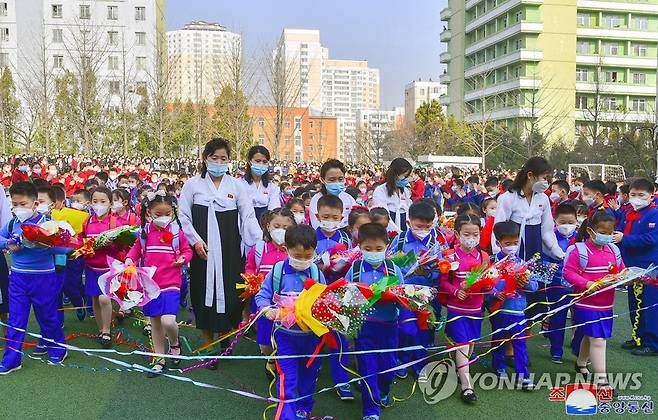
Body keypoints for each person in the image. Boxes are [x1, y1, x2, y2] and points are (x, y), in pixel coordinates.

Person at [178, 139, 262, 351]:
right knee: (201, 290)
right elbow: (184, 216)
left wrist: (260, 240)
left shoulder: (236, 186)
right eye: (214, 158)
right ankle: (208, 341)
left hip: (230, 249)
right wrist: (195, 240)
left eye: (223, 158)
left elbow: (248, 215)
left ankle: (226, 335)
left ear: (229, 161)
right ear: (205, 159)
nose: (218, 162)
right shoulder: (192, 185)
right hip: (203, 249)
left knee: (232, 292)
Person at [254, 224, 325, 420]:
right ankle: (286, 414)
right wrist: (268, 310)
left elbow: (326, 300)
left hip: (311, 338)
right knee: (287, 377)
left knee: (309, 377)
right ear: (286, 249)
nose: (303, 261)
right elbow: (262, 296)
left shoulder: (317, 274)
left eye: (308, 256)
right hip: (285, 337)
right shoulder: (278, 272)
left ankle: (304, 407)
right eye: (297, 255)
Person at [0, 182, 68, 374]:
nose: (18, 208)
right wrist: (10, 242)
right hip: (18, 279)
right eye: (14, 204)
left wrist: (46, 244)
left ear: (35, 204)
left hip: (44, 279)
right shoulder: (13, 223)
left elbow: (63, 248)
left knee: (47, 316)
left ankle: (57, 348)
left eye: (23, 204)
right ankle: (12, 359)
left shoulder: (48, 225)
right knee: (16, 320)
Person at [125, 193, 192, 376]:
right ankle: (159, 358)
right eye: (158, 214)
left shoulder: (177, 232)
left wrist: (183, 257)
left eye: (167, 213)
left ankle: (175, 343)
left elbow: (187, 250)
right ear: (149, 213)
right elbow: (136, 249)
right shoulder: (144, 232)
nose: (163, 218)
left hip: (171, 282)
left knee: (168, 320)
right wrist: (130, 259)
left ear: (173, 212)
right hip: (150, 284)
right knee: (155, 322)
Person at [345, 223, 405, 420]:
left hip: (389, 327)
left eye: (379, 249)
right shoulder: (354, 269)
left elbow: (404, 295)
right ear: (359, 246)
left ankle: (385, 389)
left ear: (387, 246)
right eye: (368, 249)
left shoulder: (393, 268)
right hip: (364, 327)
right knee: (367, 368)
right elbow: (346, 297)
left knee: (387, 368)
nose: (373, 253)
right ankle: (370, 410)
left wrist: (393, 296)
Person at [563, 210, 624, 388]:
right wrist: (587, 283)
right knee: (598, 339)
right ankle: (602, 381)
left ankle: (581, 363)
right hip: (586, 304)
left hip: (606, 304)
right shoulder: (579, 250)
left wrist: (627, 278)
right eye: (603, 233)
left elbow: (621, 270)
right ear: (590, 231)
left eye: (611, 233)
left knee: (591, 336)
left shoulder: (614, 250)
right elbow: (568, 272)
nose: (607, 237)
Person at [389, 201, 440, 378]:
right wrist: (406, 272)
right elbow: (390, 263)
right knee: (406, 329)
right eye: (419, 226)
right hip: (404, 293)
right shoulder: (400, 239)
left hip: (425, 294)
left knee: (423, 330)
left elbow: (440, 268)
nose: (424, 229)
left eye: (428, 226)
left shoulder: (435, 242)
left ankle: (420, 364)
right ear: (409, 222)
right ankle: (402, 359)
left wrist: (430, 272)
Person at [440, 214, 488, 403]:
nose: (471, 238)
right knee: (462, 342)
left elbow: (488, 282)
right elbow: (443, 283)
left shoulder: (483, 256)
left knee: (471, 341)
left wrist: (489, 285)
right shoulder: (449, 256)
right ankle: (467, 386)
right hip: (456, 307)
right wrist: (455, 291)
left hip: (476, 308)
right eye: (467, 234)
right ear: (457, 234)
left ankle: (460, 368)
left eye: (475, 234)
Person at [244, 208, 295, 375]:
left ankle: (283, 362)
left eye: (286, 227)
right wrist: (252, 279)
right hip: (265, 305)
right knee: (264, 341)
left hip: (289, 307)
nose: (281, 231)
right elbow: (250, 267)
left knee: (286, 337)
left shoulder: (295, 252)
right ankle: (270, 358)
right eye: (277, 226)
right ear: (268, 226)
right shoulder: (259, 249)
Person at [489, 221, 537, 389]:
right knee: (499, 340)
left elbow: (534, 286)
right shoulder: (492, 263)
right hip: (499, 310)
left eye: (515, 243)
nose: (512, 247)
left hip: (518, 311)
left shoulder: (523, 263)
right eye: (507, 244)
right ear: (498, 243)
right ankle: (499, 367)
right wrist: (495, 293)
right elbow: (484, 286)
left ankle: (523, 375)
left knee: (520, 343)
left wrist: (525, 282)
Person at [313, 194, 353, 400]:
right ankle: (311, 373)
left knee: (339, 339)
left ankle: (341, 379)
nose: (330, 221)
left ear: (342, 217)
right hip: (314, 294)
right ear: (317, 215)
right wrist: (318, 266)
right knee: (314, 337)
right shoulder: (310, 236)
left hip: (338, 296)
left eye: (334, 217)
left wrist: (341, 264)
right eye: (325, 216)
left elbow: (352, 262)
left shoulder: (346, 239)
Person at [613, 178, 658, 356]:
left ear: (651, 194)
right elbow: (621, 234)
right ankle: (638, 336)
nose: (636, 198)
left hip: (650, 266)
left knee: (649, 305)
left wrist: (625, 238)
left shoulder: (654, 214)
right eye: (633, 195)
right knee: (634, 303)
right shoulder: (629, 212)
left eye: (641, 195)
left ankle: (652, 342)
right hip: (631, 265)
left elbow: (652, 239)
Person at [493, 157, 564, 261]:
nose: (546, 183)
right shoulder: (508, 198)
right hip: (514, 248)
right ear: (530, 175)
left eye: (548, 180)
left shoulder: (543, 198)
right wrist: (498, 254)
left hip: (535, 247)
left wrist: (555, 249)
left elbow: (547, 230)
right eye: (544, 178)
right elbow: (498, 228)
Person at [82, 187, 117, 348]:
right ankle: (100, 328)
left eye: (103, 201)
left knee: (104, 298)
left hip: (108, 268)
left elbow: (123, 247)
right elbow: (81, 241)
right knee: (95, 298)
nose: (98, 205)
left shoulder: (114, 222)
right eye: (95, 201)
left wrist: (111, 245)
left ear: (110, 203)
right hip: (91, 267)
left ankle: (107, 330)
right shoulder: (87, 221)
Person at [544, 203, 578, 363]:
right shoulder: (549, 238)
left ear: (576, 221)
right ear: (555, 221)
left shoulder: (581, 238)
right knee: (558, 317)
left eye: (570, 222)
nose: (567, 226)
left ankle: (578, 348)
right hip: (557, 286)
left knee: (580, 317)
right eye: (563, 222)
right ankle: (556, 350)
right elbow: (544, 262)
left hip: (579, 285)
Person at [309, 159, 356, 229]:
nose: (337, 183)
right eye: (332, 180)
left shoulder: (349, 199)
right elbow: (317, 226)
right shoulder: (316, 200)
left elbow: (355, 221)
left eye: (340, 179)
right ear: (322, 180)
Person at [371, 158, 413, 232]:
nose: (406, 179)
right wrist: (398, 233)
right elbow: (384, 217)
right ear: (395, 174)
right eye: (404, 176)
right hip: (389, 231)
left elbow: (409, 212)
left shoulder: (405, 191)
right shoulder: (380, 191)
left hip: (405, 228)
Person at [241, 145, 280, 223]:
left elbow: (274, 210)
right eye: (258, 161)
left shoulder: (272, 187)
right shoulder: (239, 184)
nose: (261, 164)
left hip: (265, 223)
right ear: (249, 162)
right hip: (244, 222)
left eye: (264, 162)